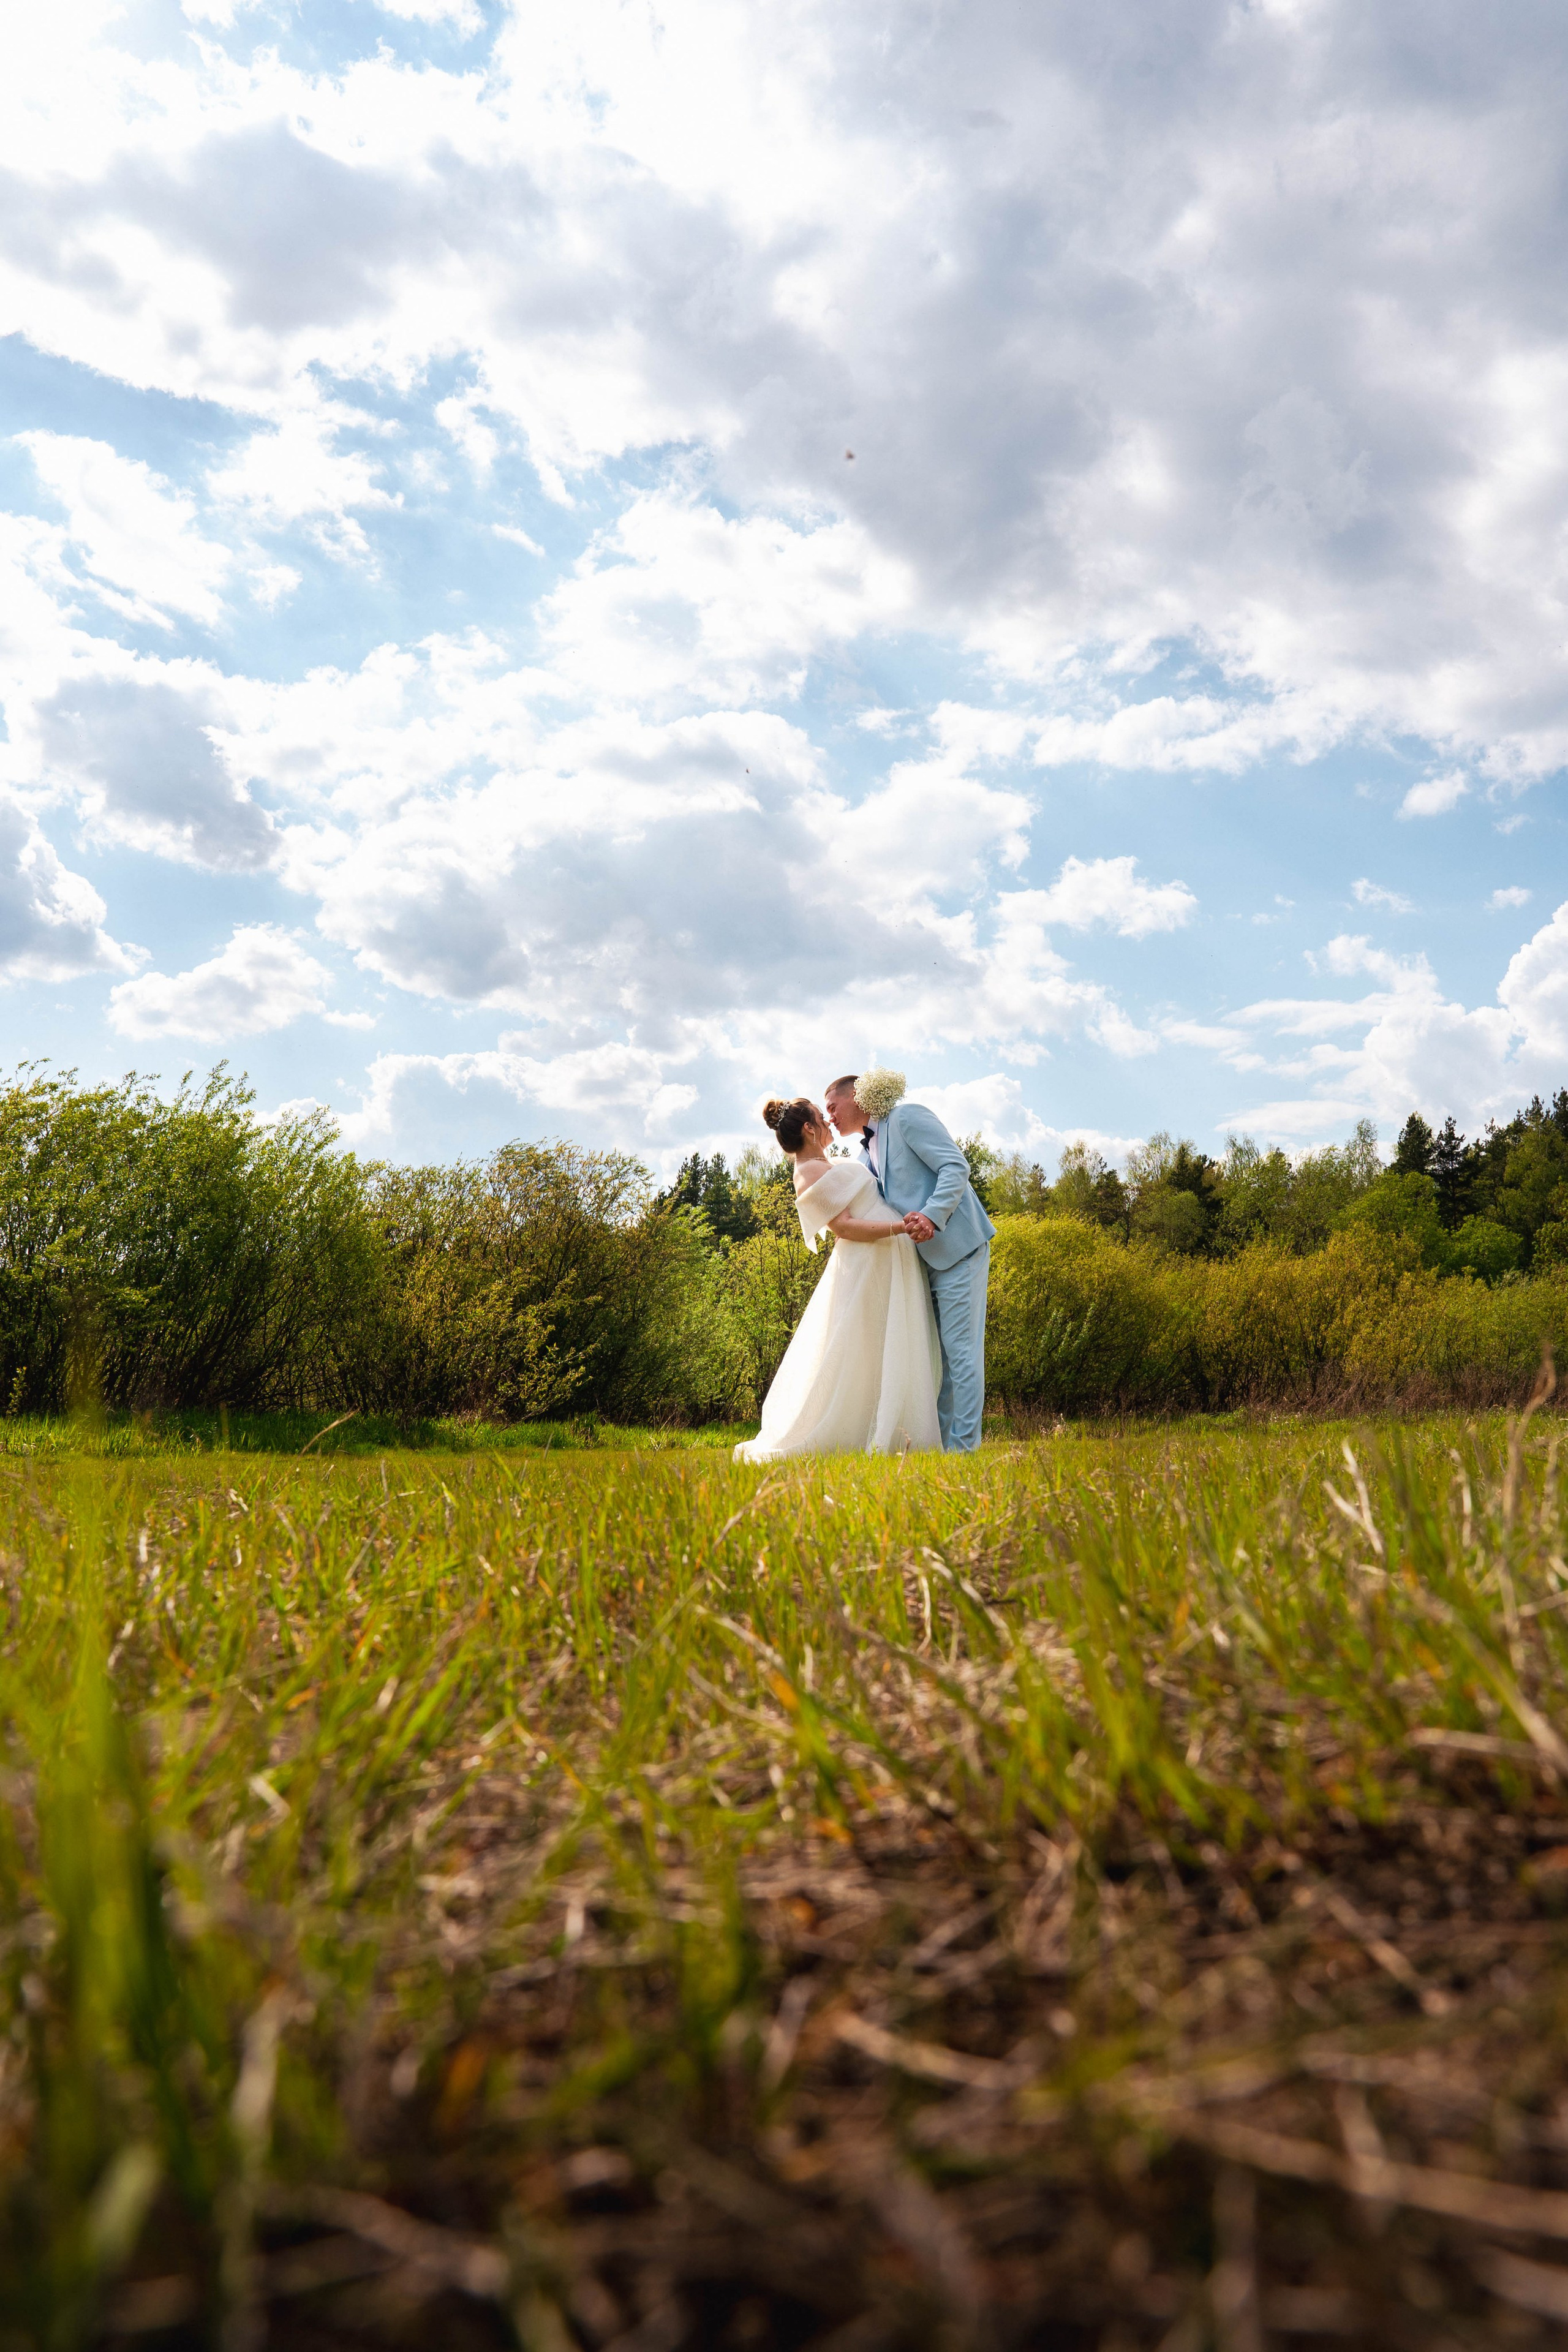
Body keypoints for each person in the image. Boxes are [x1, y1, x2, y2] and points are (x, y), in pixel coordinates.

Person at [733, 1096, 941, 1461]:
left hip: (884, 1256)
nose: (828, 1121)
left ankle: (894, 1427)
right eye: (820, 1116)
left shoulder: (823, 1163)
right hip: (869, 1259)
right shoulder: (808, 1172)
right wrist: (899, 1228)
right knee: (867, 1345)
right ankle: (864, 1430)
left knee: (883, 1342)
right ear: (809, 1129)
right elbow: (843, 1227)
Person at [823, 1071, 993, 1453]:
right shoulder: (863, 1156)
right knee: (935, 1361)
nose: (829, 1116)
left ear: (857, 1096)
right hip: (915, 1266)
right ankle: (942, 1447)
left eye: (833, 1106)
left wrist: (931, 1215)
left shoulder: (907, 1117)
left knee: (961, 1354)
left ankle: (963, 1451)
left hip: (958, 1250)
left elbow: (955, 1167)